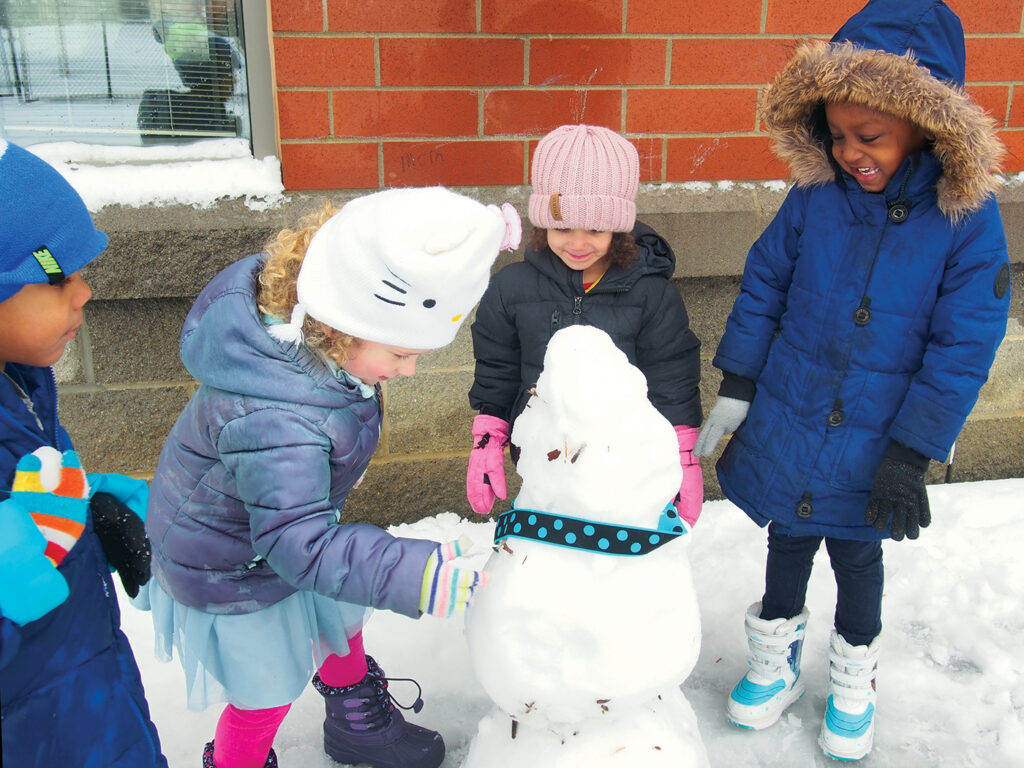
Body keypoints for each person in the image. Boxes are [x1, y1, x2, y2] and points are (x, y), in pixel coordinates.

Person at [693, 0, 1011, 761]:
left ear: (924, 125)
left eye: (869, 137)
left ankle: (855, 675)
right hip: (794, 411)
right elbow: (767, 281)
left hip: (879, 434)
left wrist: (912, 451)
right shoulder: (815, 199)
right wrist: (740, 380)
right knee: (789, 534)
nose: (849, 153)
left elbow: (964, 343)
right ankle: (773, 661)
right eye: (836, 136)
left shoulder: (965, 221)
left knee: (857, 554)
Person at [141, 186, 521, 768]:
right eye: (399, 355)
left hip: (281, 532)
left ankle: (354, 722)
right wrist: (412, 572)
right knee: (263, 691)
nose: (410, 370)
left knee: (335, 610)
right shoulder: (278, 417)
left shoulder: (320, 358)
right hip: (230, 565)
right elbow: (297, 543)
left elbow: (301, 534)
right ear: (341, 326)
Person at [0, 139, 166, 767]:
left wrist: (83, 513)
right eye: (57, 276)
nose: (85, 293)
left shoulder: (21, 380)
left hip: (85, 705)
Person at [467, 124, 703, 528]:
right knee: (550, 554)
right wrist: (490, 432)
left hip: (624, 457)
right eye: (562, 228)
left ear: (618, 228)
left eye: (594, 229)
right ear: (543, 225)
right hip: (541, 454)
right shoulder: (512, 287)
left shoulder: (651, 295)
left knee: (609, 556)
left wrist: (681, 449)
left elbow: (671, 374)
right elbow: (498, 365)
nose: (578, 243)